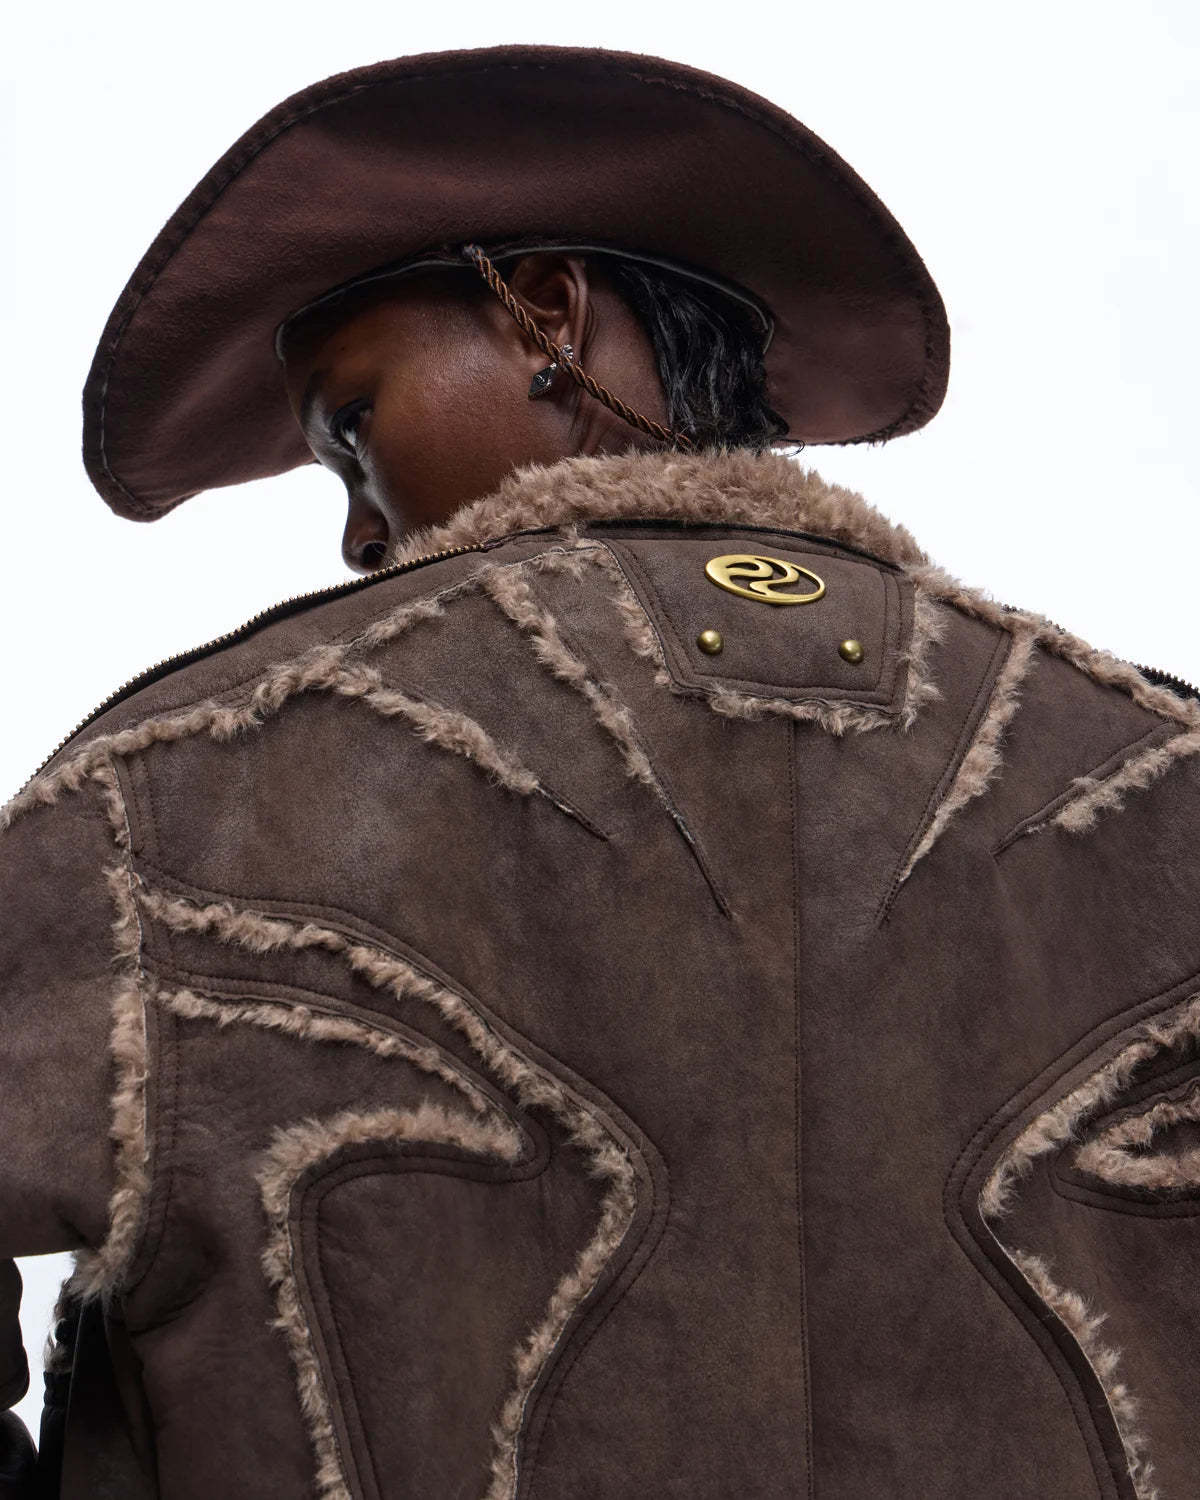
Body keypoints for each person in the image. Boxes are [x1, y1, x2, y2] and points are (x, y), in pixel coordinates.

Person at [2, 43, 1198, 1500]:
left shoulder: (184, 789)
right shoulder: (1159, 782)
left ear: (547, 316)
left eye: (350, 427)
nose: (357, 533)